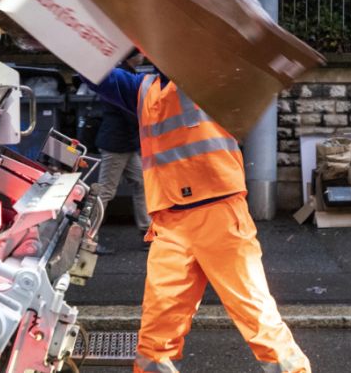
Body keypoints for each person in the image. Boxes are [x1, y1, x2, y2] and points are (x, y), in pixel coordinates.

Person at [85, 62, 311, 373]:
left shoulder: (213, 78)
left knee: (254, 311)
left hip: (216, 212)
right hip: (172, 220)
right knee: (157, 325)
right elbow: (96, 72)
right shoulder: (145, 88)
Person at [93, 50, 152, 247]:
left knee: (141, 183)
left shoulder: (126, 75)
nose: (142, 57)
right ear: (130, 58)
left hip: (126, 144)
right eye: (139, 54)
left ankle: (146, 229)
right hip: (116, 144)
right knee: (105, 192)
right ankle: (88, 237)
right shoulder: (122, 77)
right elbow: (129, 112)